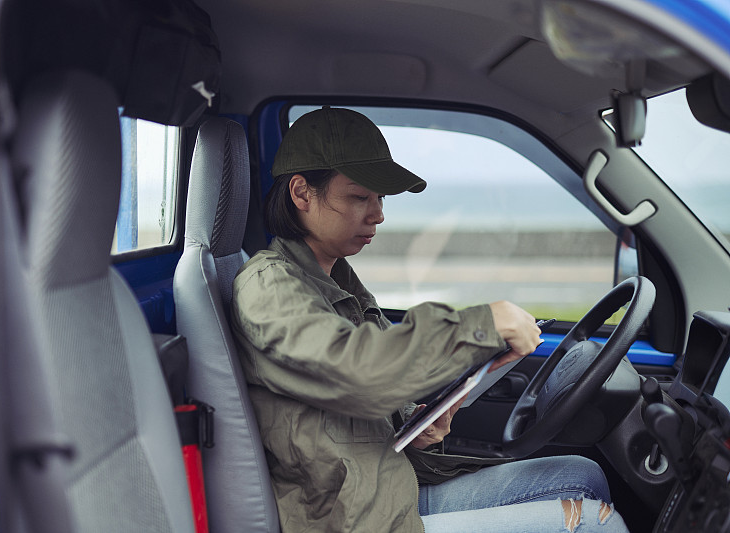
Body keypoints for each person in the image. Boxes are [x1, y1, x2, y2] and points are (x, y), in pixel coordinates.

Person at [230, 106, 629, 533]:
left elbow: (350, 401)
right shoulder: (269, 285)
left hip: (390, 487)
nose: (378, 214)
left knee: (582, 476)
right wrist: (482, 324)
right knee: (596, 524)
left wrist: (413, 425)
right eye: (360, 197)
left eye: (380, 198)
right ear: (301, 193)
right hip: (355, 519)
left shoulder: (337, 279)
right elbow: (353, 368)